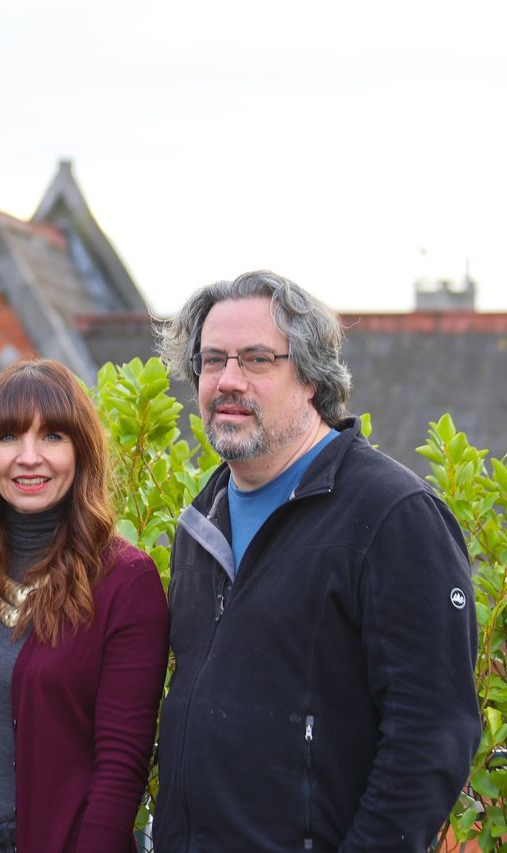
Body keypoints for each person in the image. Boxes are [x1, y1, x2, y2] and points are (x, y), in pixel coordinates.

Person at [151, 271, 481, 850]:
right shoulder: (201, 522)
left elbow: (431, 736)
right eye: (212, 361)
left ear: (309, 377)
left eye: (256, 360)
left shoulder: (392, 517)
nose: (228, 381)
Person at [0, 359, 170, 853]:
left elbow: (121, 764)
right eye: (9, 437)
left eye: (53, 436)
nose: (28, 457)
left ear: (81, 452)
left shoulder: (124, 581)